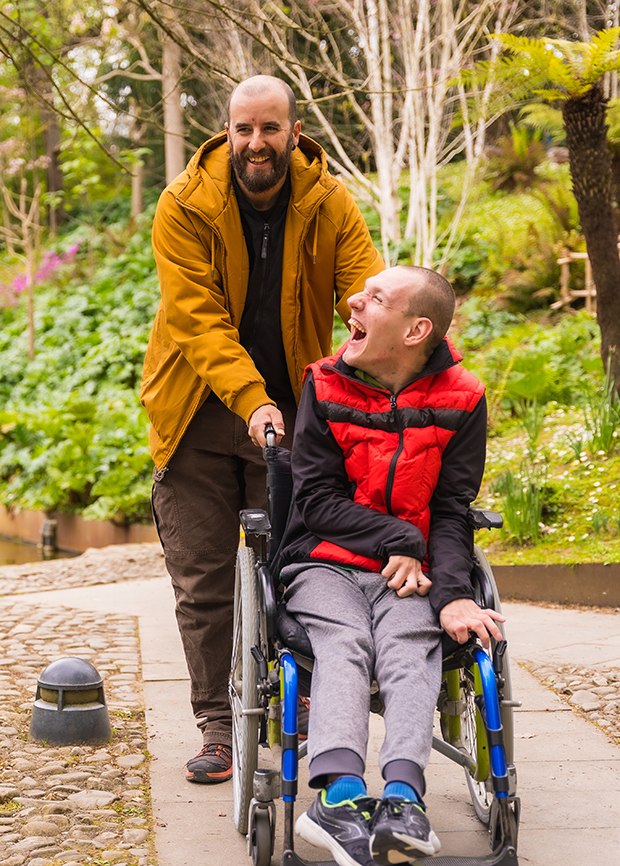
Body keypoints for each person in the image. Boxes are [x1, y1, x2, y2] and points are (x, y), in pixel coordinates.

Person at [140, 74, 384, 784]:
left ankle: (295, 706)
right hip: (197, 415)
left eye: (269, 129)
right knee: (205, 581)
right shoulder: (185, 204)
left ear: (294, 134)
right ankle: (219, 728)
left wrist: (388, 337)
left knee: (298, 571)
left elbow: (364, 288)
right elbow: (198, 320)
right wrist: (251, 399)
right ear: (227, 131)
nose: (256, 143)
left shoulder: (329, 202)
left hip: (292, 417)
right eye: (243, 129)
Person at [278, 265, 506, 866]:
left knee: (410, 641)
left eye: (376, 298)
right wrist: (399, 535)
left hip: (413, 573)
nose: (353, 299)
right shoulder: (324, 387)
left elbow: (453, 508)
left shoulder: (463, 399)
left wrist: (455, 594)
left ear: (415, 330)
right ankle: (341, 798)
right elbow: (316, 502)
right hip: (323, 564)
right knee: (345, 641)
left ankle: (404, 800)